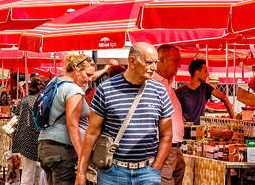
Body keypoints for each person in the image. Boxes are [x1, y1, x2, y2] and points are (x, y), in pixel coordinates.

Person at [75, 43, 174, 185]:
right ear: (132, 61)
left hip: (147, 172)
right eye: (149, 62)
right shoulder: (106, 89)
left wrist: (156, 168)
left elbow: (167, 135)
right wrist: (81, 172)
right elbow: (91, 133)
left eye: (156, 62)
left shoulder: (160, 91)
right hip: (112, 173)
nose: (154, 68)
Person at [38, 53, 95, 185]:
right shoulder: (73, 90)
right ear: (76, 70)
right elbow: (72, 124)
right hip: (63, 150)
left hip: (47, 146)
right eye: (88, 75)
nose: (90, 79)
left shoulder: (57, 82)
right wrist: (82, 157)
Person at [153, 45, 185, 185]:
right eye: (175, 60)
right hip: (164, 147)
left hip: (175, 148)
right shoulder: (153, 84)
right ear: (161, 60)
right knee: (165, 181)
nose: (179, 65)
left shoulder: (167, 83)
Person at [11, 75, 50, 185]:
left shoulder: (24, 100)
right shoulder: (41, 101)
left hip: (24, 138)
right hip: (36, 138)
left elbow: (17, 116)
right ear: (41, 88)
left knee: (28, 171)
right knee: (38, 170)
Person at [176, 59, 233, 124]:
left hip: (200, 131)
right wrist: (179, 116)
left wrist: (233, 119)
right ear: (197, 73)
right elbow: (172, 110)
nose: (208, 74)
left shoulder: (206, 88)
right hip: (185, 130)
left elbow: (224, 98)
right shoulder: (180, 92)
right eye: (205, 71)